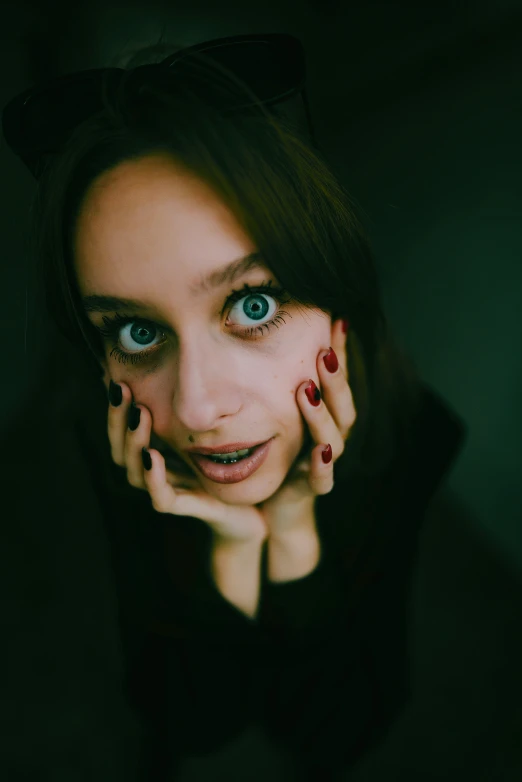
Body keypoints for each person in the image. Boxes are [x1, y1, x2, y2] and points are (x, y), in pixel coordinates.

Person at [1, 35, 466, 782]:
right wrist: (228, 548)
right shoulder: (118, 442)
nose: (198, 407)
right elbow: (194, 721)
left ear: (339, 305)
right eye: (136, 330)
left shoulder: (415, 437)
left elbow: (334, 736)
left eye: (253, 304)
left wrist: (291, 534)